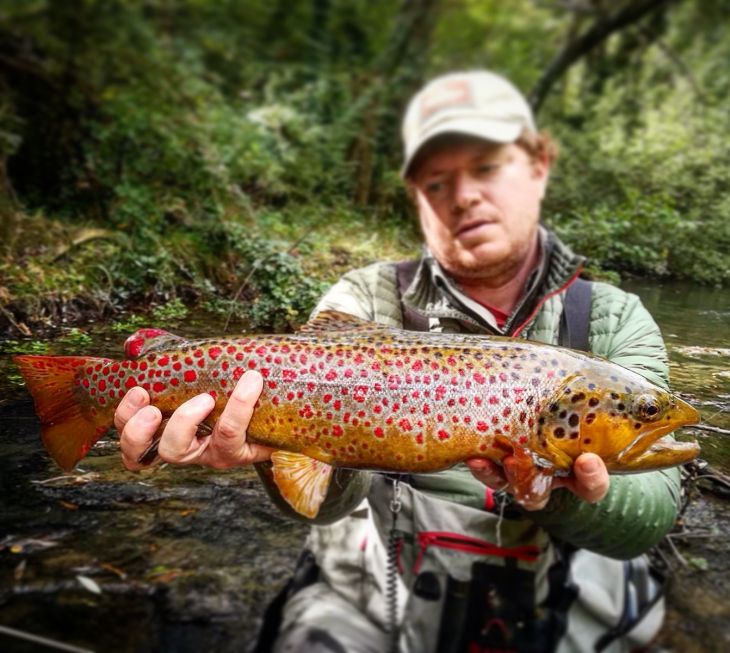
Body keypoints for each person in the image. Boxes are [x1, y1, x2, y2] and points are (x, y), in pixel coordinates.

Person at [115, 71, 680, 652]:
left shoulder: (614, 318)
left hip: (556, 588)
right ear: (416, 196)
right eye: (437, 182)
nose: (462, 196)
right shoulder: (366, 297)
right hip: (378, 580)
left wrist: (550, 488)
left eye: (487, 168)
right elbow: (322, 505)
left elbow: (652, 515)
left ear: (539, 165)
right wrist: (262, 448)